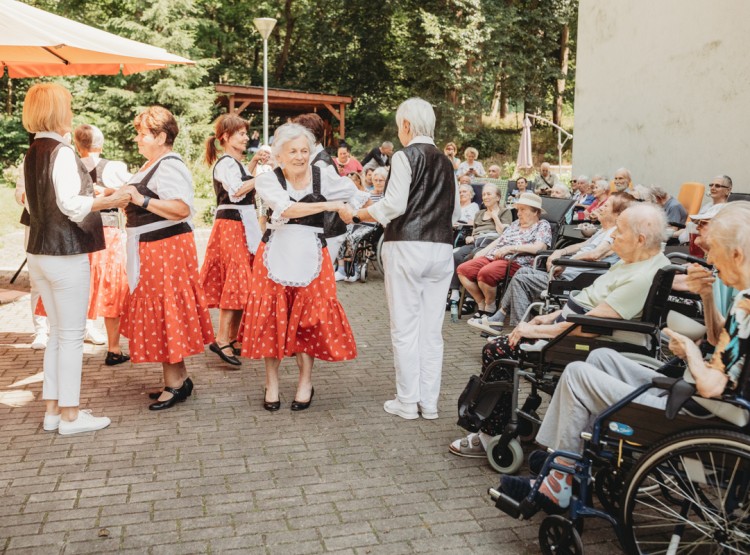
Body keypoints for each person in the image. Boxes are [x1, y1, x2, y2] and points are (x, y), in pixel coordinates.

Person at [500, 202, 750, 510]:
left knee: (578, 373)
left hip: (702, 409)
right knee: (602, 358)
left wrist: (690, 353)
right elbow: (717, 339)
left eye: (714, 251)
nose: (708, 258)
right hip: (698, 395)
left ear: (737, 254)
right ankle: (566, 462)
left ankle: (559, 479)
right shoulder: (743, 297)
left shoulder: (747, 303)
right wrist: (709, 298)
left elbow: (713, 386)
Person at [451, 203, 671, 460]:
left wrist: (533, 331)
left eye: (619, 232)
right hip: (572, 325)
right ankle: (494, 424)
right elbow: (587, 301)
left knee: (498, 351)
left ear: (640, 239)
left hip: (584, 339)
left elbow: (588, 326)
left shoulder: (641, 276)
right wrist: (547, 317)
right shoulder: (633, 262)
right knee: (503, 344)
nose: (612, 237)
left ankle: (489, 434)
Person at [340, 97, 460, 420]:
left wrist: (356, 215)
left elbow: (392, 206)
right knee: (431, 330)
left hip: (407, 246)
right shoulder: (448, 164)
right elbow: (457, 213)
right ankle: (429, 403)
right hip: (442, 249)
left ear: (406, 126)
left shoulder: (406, 157)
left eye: (399, 126)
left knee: (405, 327)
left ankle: (407, 401)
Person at [21, 83, 131, 434]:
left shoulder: (32, 151)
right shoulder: (62, 152)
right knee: (70, 337)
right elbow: (70, 204)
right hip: (66, 254)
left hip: (39, 252)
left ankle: (53, 410)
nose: (71, 111)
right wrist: (111, 200)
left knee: (57, 335)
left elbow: (29, 202)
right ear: (58, 111)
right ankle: (70, 414)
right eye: (66, 106)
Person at [239, 123, 366, 412]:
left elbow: (355, 192)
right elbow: (285, 209)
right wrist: (330, 206)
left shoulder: (323, 176)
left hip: (313, 254)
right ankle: (271, 383)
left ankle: (305, 382)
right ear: (279, 156)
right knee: (272, 318)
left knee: (309, 319)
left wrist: (350, 212)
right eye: (292, 151)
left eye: (304, 151)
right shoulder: (267, 180)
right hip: (275, 253)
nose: (299, 156)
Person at [119, 106, 215, 411]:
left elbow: (181, 208)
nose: (137, 138)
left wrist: (141, 199)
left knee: (165, 311)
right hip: (152, 247)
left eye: (142, 133)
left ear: (161, 136)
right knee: (162, 311)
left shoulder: (169, 165)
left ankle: (175, 384)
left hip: (164, 249)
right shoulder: (153, 163)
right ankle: (179, 378)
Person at [472, 192, 633, 332]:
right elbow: (582, 246)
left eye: (608, 205)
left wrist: (563, 261)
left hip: (576, 280)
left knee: (522, 279)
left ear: (618, 214)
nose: (602, 206)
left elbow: (595, 255)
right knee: (522, 272)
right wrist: (560, 251)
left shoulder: (615, 233)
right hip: (569, 272)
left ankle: (519, 330)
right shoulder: (603, 231)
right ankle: (501, 317)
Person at [200, 114, 261, 367]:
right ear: (225, 137)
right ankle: (222, 338)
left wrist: (255, 163)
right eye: (241, 134)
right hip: (232, 225)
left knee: (241, 279)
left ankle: (233, 337)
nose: (246, 137)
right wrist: (265, 177)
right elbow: (236, 192)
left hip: (241, 225)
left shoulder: (235, 163)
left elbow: (243, 183)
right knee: (236, 279)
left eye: (246, 133)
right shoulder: (225, 162)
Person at [73, 124, 132, 365]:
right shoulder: (114, 167)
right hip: (108, 232)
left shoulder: (70, 167)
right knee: (112, 287)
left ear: (78, 145)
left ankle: (71, 345)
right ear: (102, 143)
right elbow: (133, 191)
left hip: (77, 232)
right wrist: (109, 193)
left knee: (79, 287)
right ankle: (114, 348)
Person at [457, 193, 552, 316]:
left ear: (535, 212)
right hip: (494, 256)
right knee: (463, 270)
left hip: (516, 261)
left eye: (523, 210)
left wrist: (510, 248)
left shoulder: (542, 225)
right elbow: (500, 239)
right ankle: (481, 303)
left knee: (486, 273)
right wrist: (483, 251)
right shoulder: (515, 223)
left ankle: (490, 307)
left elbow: (539, 247)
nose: (518, 213)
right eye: (518, 209)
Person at [293, 113, 352, 267]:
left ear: (309, 137)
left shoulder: (321, 164)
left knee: (319, 279)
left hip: (328, 231)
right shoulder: (314, 159)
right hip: (323, 230)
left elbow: (344, 193)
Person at [448, 184, 513, 305]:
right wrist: (471, 236)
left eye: (489, 194)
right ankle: (455, 292)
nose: (485, 197)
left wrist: (495, 217)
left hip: (491, 243)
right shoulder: (479, 213)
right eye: (484, 194)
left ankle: (469, 297)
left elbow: (504, 234)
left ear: (498, 197)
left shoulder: (505, 212)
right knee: (456, 256)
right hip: (476, 242)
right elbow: (475, 230)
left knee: (469, 259)